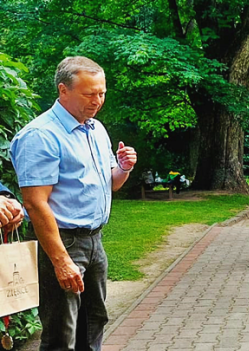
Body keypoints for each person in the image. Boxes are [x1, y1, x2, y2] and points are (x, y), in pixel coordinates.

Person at [10, 56, 137, 350]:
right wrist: (61, 260)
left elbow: (110, 184)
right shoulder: (41, 135)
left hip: (94, 240)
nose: (98, 100)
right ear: (63, 90)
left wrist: (124, 168)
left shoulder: (95, 129)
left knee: (94, 321)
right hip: (61, 241)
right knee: (61, 333)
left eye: (102, 92)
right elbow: (35, 203)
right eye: (89, 93)